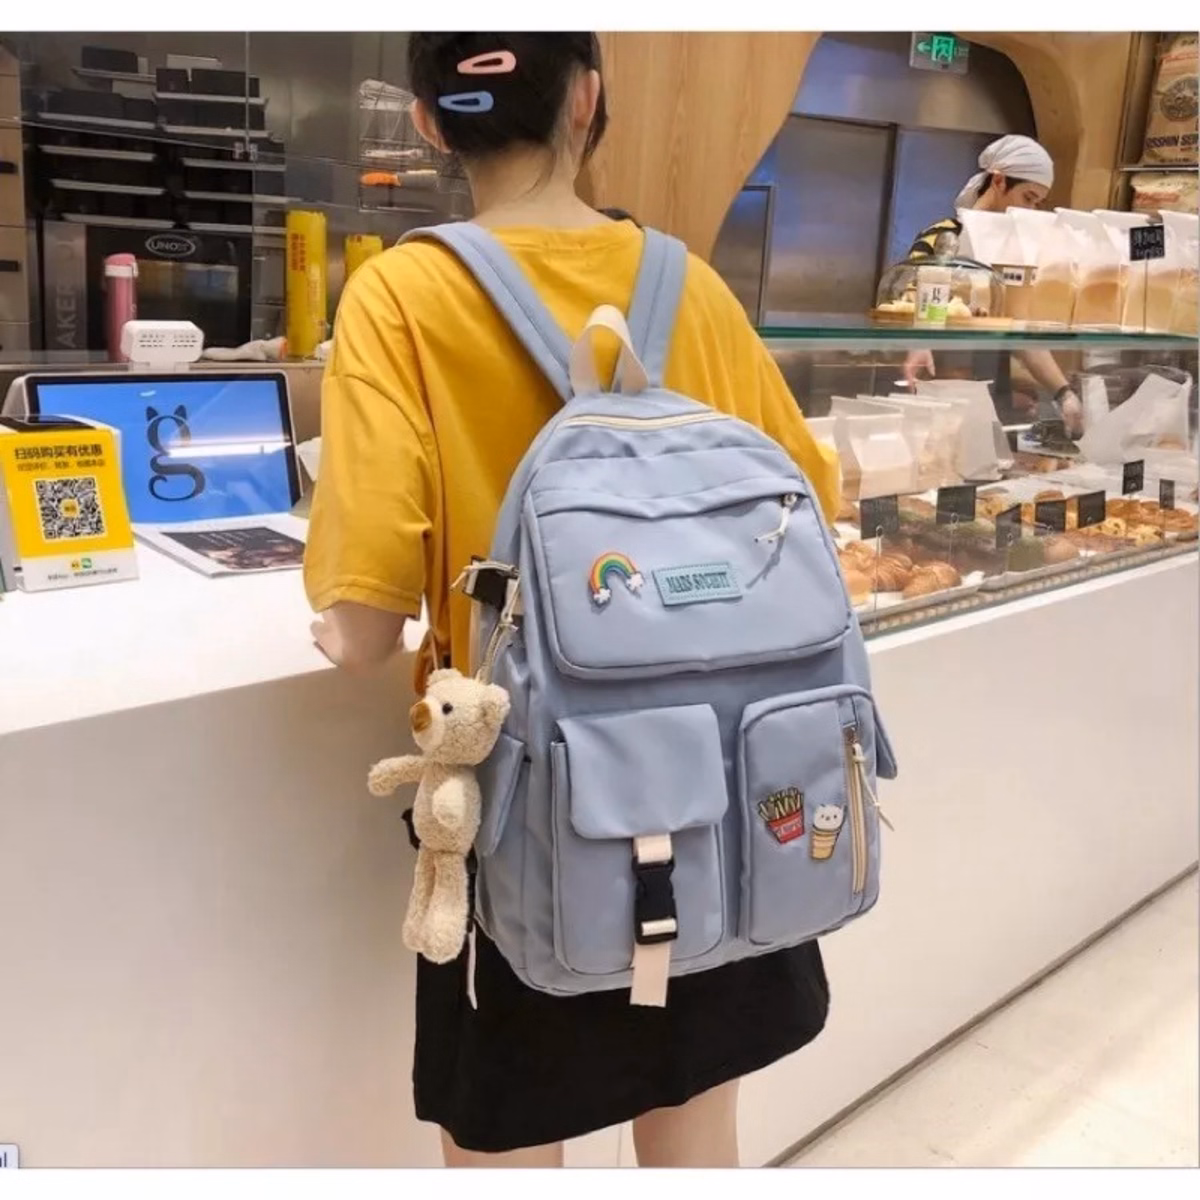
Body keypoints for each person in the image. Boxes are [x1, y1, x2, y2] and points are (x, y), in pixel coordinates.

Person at [303, 33, 839, 1168]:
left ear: (430, 122)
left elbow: (360, 631)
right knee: (695, 1126)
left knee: (506, 1141)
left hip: (524, 804)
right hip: (722, 776)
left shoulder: (401, 293)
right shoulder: (690, 286)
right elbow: (810, 505)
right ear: (587, 100)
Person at [903, 134, 1083, 436]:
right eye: (1028, 198)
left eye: (1037, 203)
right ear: (999, 181)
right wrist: (918, 344)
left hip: (990, 403)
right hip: (937, 397)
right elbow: (909, 304)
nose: (1030, 211)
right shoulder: (945, 237)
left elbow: (1020, 332)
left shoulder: (1015, 254)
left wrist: (1063, 393)